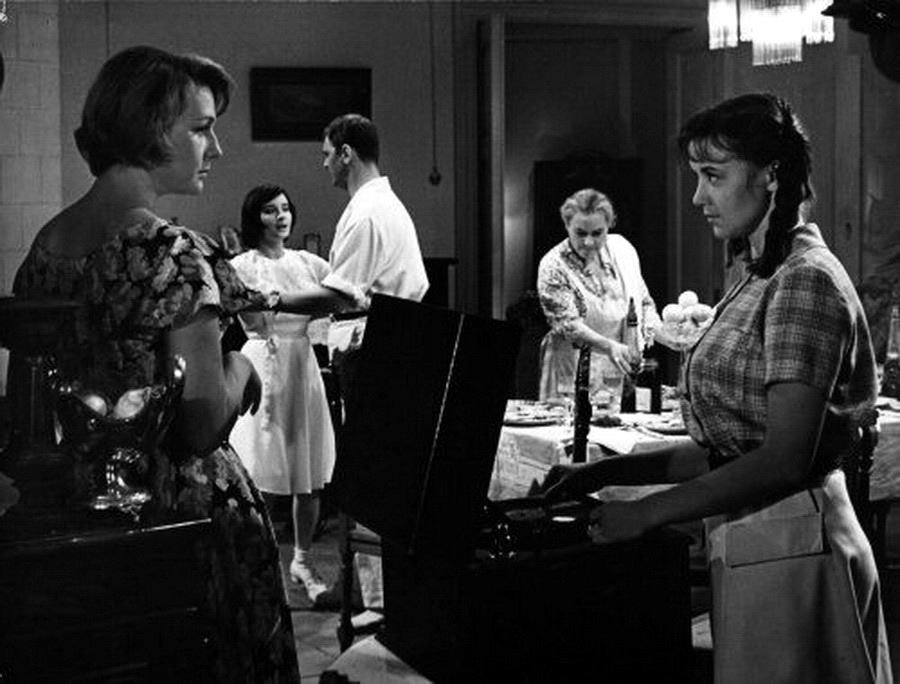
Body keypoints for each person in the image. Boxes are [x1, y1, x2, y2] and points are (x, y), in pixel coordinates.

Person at [541, 93, 893, 683]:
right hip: (762, 536)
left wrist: (647, 513)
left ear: (771, 175)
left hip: (796, 542)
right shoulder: (759, 274)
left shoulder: (803, 280)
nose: (698, 197)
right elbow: (730, 448)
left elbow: (783, 459)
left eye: (713, 175)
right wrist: (606, 473)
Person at [12, 46, 300, 682]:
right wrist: (242, 367)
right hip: (175, 514)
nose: (215, 148)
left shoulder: (46, 246)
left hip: (75, 511)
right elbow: (200, 425)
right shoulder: (173, 253)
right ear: (151, 129)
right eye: (200, 129)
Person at [274, 113, 429, 615]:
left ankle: (377, 600)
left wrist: (272, 298)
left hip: (376, 350)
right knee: (374, 477)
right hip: (390, 344)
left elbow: (340, 295)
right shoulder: (382, 205)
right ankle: (371, 590)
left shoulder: (368, 213)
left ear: (346, 153)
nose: (324, 165)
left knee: (370, 479)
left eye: (326, 154)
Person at [228, 184, 336, 604]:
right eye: (271, 210)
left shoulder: (308, 262)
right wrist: (296, 303)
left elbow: (341, 296)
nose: (281, 217)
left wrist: (290, 302)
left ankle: (303, 560)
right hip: (262, 360)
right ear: (255, 217)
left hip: (301, 363)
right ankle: (259, 562)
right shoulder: (241, 265)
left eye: (286, 208)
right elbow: (250, 313)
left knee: (306, 470)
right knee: (261, 468)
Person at [536, 187, 663, 403]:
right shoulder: (553, 265)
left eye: (597, 233)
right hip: (572, 368)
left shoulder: (622, 250)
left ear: (609, 226)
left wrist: (664, 334)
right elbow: (568, 325)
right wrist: (610, 346)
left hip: (617, 368)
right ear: (567, 225)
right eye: (580, 233)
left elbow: (643, 302)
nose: (588, 242)